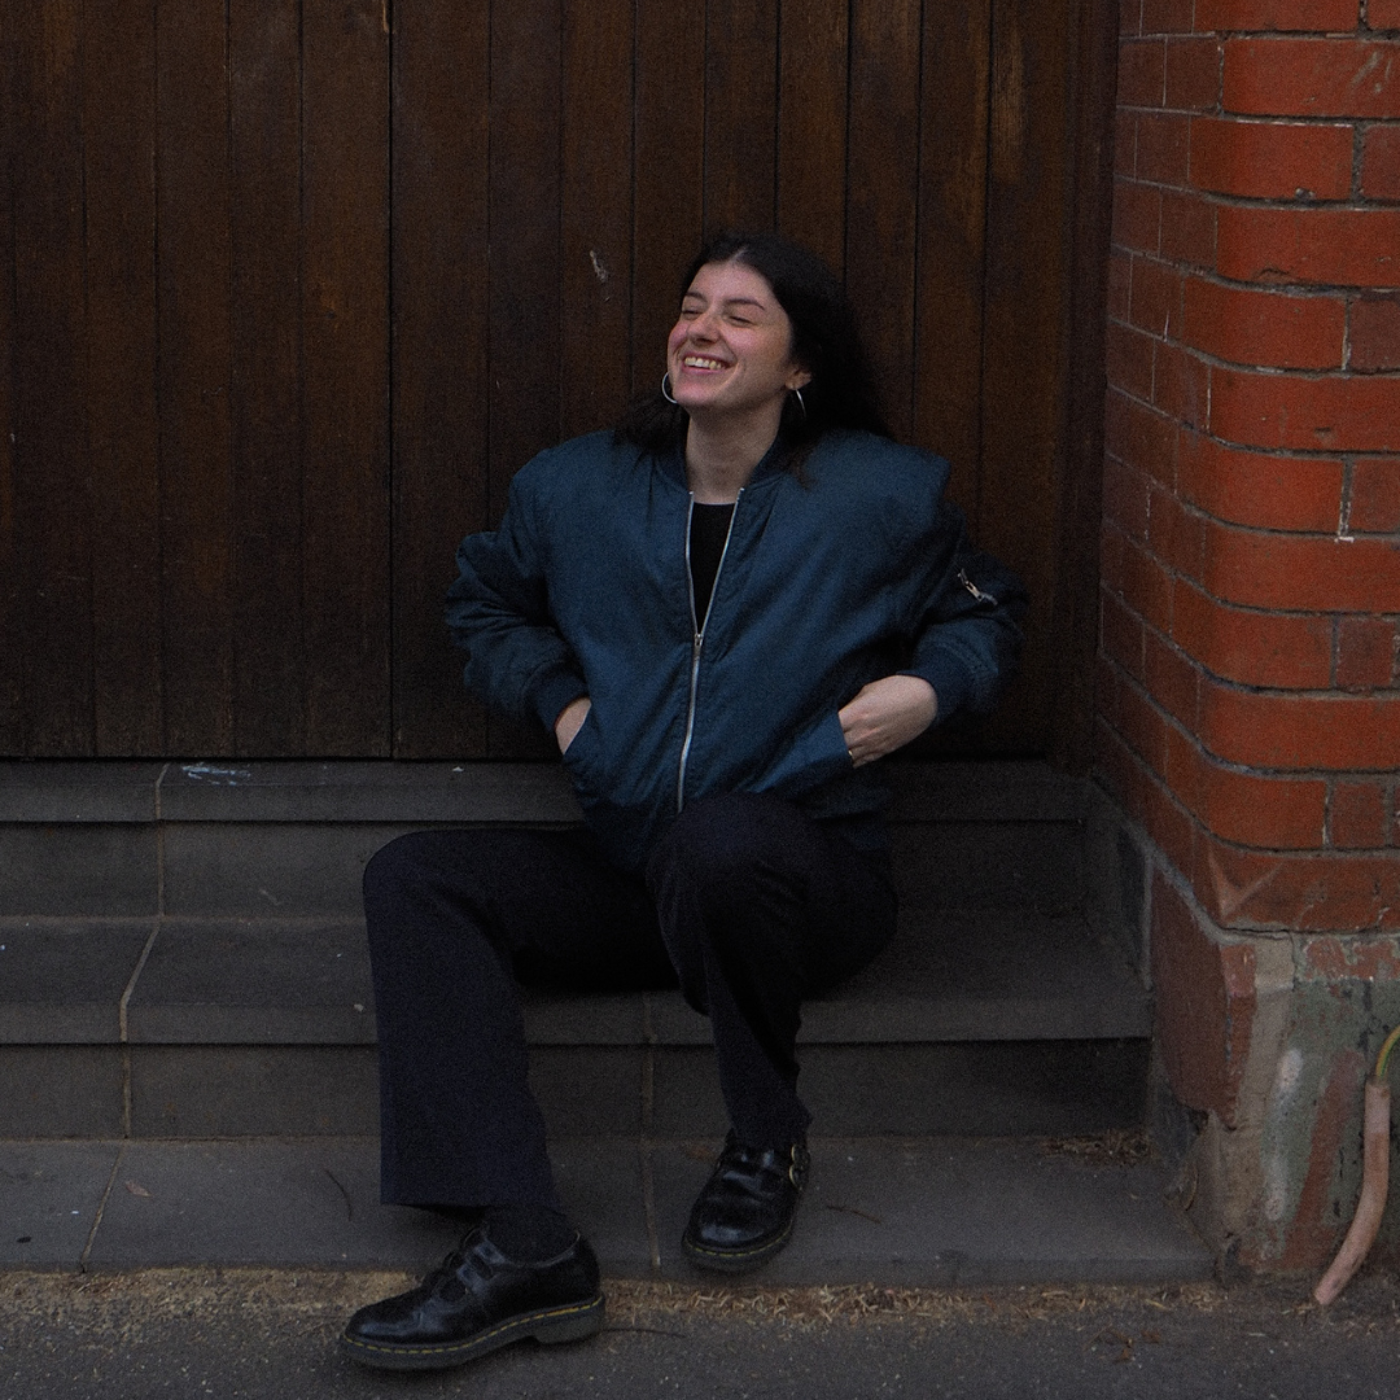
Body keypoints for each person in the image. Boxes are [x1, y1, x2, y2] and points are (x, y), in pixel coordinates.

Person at [340, 231, 1027, 1371]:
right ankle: (522, 1241)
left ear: (797, 367)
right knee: (413, 876)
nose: (702, 327)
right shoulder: (575, 487)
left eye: (741, 314)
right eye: (690, 305)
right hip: (635, 864)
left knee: (721, 839)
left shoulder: (878, 496)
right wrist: (564, 705)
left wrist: (923, 689)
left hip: (803, 875)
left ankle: (766, 1138)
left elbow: (984, 611)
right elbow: (485, 603)